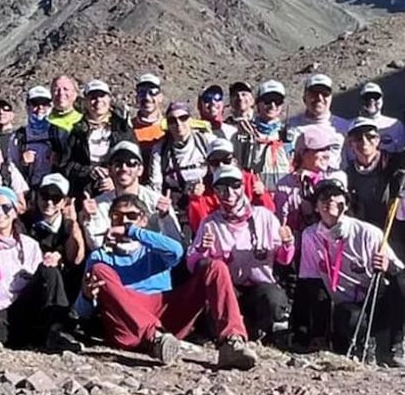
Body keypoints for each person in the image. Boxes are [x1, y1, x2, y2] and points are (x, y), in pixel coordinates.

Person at [76, 194, 258, 369]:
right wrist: (86, 295)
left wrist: (132, 232)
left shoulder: (154, 248)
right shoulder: (101, 256)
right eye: (117, 216)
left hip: (166, 313)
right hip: (129, 322)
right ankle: (154, 337)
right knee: (99, 270)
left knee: (215, 267)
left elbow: (176, 251)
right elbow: (81, 311)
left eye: (131, 216)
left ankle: (232, 341)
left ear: (143, 220)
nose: (124, 221)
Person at [292, 177, 405, 365]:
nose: (330, 200)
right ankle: (358, 345)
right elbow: (311, 282)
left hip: (376, 298)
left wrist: (386, 266)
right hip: (346, 305)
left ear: (345, 204)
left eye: (336, 195)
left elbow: (398, 271)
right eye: (323, 197)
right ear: (316, 208)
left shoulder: (369, 233)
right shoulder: (310, 236)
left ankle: (397, 345)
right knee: (348, 317)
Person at [0, 186, 74, 348]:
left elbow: (40, 285)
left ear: (14, 212)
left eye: (6, 208)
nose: (0, 213)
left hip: (23, 309)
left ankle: (58, 328)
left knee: (49, 271)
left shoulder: (30, 245)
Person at [187, 165, 294, 340]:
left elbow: (284, 260)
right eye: (221, 188)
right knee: (210, 316)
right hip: (229, 291)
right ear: (215, 191)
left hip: (260, 287)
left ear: (243, 186)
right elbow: (191, 264)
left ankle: (256, 329)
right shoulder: (209, 223)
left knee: (274, 301)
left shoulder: (264, 216)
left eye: (235, 185)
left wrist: (287, 244)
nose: (229, 193)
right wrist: (201, 250)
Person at [82, 142, 184, 251]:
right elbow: (97, 247)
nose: (124, 168)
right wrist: (90, 219)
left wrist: (165, 218)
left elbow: (176, 246)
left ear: (140, 170)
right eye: (118, 163)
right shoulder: (98, 204)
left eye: (131, 164)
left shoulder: (157, 201)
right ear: (110, 170)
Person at [60, 79, 135, 197]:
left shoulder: (122, 128)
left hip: (118, 192)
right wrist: (89, 171)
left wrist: (116, 179)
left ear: (109, 99)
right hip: (84, 192)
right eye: (93, 97)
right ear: (86, 101)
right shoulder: (77, 130)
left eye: (102, 96)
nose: (98, 101)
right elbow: (66, 165)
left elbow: (135, 162)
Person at [343, 117, 405, 258]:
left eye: (370, 136)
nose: (364, 142)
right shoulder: (348, 175)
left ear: (378, 140)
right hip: (368, 240)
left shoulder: (397, 163)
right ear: (350, 144)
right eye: (358, 138)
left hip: (397, 236)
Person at [23, 173, 87, 307]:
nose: (49, 203)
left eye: (56, 198)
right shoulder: (25, 221)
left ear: (64, 202)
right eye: (45, 196)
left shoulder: (69, 225)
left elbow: (76, 259)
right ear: (37, 196)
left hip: (63, 285)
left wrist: (73, 224)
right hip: (30, 282)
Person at [149, 101, 211, 235]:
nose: (178, 124)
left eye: (183, 118)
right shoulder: (160, 149)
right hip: (177, 204)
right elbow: (156, 183)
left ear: (190, 119)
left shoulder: (205, 140)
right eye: (172, 120)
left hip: (205, 200)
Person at [187, 138, 275, 231]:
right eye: (215, 162)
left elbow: (270, 214)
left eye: (226, 160)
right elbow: (200, 227)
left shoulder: (249, 179)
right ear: (209, 165)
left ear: (234, 161)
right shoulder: (204, 190)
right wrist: (196, 201)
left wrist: (262, 195)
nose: (221, 165)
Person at [274, 126, 345, 233]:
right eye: (320, 150)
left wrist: (312, 178)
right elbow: (282, 224)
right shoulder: (284, 185)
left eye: (327, 149)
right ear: (303, 154)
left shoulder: (336, 177)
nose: (327, 155)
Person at [238, 80, 292, 193]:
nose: (272, 105)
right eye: (267, 101)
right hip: (256, 194)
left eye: (277, 101)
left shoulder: (289, 134)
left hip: (284, 194)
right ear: (257, 104)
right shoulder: (246, 131)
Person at [286, 74, 350, 165]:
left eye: (325, 94)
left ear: (331, 98)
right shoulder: (290, 127)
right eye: (314, 93)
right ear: (304, 98)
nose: (319, 98)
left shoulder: (345, 127)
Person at [10, 86, 60, 188]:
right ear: (27, 106)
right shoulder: (18, 136)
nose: (40, 108)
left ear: (50, 106)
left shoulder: (59, 133)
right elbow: (12, 166)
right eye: (35, 104)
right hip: (28, 189)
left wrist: (58, 160)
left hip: (54, 190)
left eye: (44, 104)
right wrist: (23, 162)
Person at [131, 74, 165, 184]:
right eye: (142, 92)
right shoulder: (127, 128)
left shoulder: (172, 127)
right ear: (136, 98)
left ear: (161, 97)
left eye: (152, 92)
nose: (147, 98)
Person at [357, 82, 405, 153]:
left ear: (382, 100)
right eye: (367, 97)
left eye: (376, 96)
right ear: (360, 100)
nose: (371, 100)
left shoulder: (396, 125)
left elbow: (401, 153)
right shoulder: (351, 126)